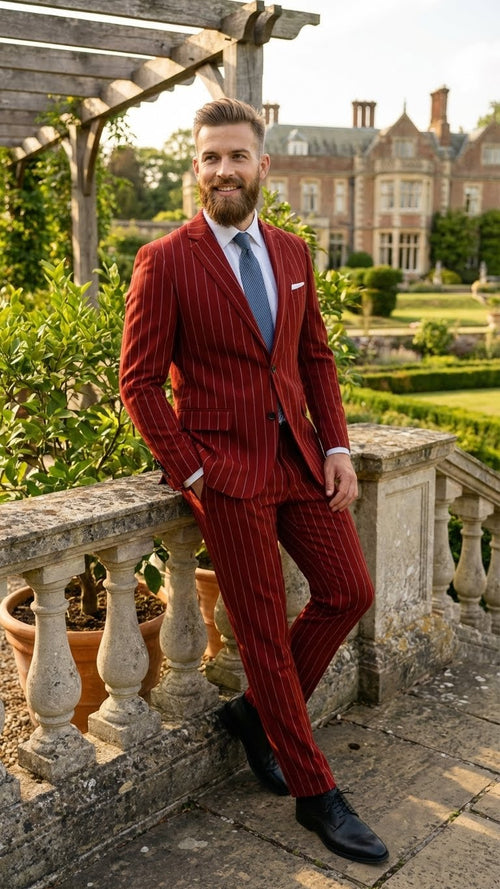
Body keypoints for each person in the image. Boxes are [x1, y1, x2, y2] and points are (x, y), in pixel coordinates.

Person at [119, 97, 388, 865]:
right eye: (210, 157)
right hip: (227, 475)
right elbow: (137, 382)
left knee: (349, 590)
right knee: (265, 635)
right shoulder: (165, 260)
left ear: (263, 165)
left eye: (238, 156)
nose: (224, 170)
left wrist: (336, 444)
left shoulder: (295, 253)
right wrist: (194, 471)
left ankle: (254, 716)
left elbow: (315, 360)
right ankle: (315, 792)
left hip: (300, 462)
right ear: (195, 169)